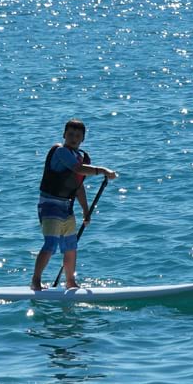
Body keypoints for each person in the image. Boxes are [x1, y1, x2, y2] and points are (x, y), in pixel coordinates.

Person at [31, 118, 117, 291]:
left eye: (78, 135)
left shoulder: (81, 157)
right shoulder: (60, 152)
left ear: (83, 139)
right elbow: (78, 170)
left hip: (66, 208)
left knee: (70, 246)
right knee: (51, 244)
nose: (74, 138)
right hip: (49, 205)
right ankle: (36, 281)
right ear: (64, 135)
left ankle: (70, 281)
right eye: (70, 134)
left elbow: (78, 187)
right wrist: (103, 171)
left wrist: (86, 211)